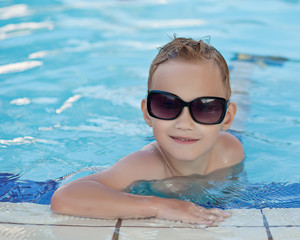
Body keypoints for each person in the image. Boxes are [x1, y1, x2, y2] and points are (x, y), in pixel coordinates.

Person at [50, 37, 245, 226]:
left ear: (226, 118)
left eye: (205, 107)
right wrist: (158, 205)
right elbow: (66, 196)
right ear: (147, 113)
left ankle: (247, 67)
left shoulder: (230, 151)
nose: (185, 123)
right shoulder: (144, 165)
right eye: (167, 104)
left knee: (245, 95)